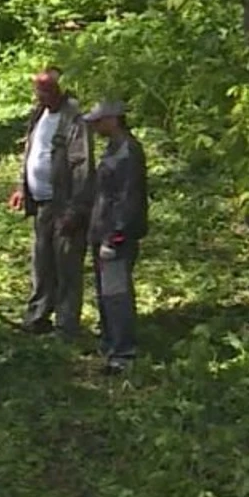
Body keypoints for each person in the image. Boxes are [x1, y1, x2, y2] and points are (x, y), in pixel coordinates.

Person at [6, 68, 93, 340]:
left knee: (66, 264)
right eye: (37, 90)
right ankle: (38, 316)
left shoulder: (74, 119)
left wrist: (76, 209)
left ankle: (66, 326)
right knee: (42, 261)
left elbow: (82, 165)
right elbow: (34, 151)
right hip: (41, 202)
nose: (40, 96)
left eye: (45, 90)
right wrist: (23, 187)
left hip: (65, 203)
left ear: (59, 90)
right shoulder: (38, 115)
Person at [82, 100, 149, 374]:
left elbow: (128, 197)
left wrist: (115, 235)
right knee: (105, 293)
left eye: (99, 121)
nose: (95, 127)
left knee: (116, 292)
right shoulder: (113, 149)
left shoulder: (129, 152)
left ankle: (124, 353)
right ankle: (110, 344)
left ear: (113, 119)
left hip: (115, 234)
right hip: (101, 229)